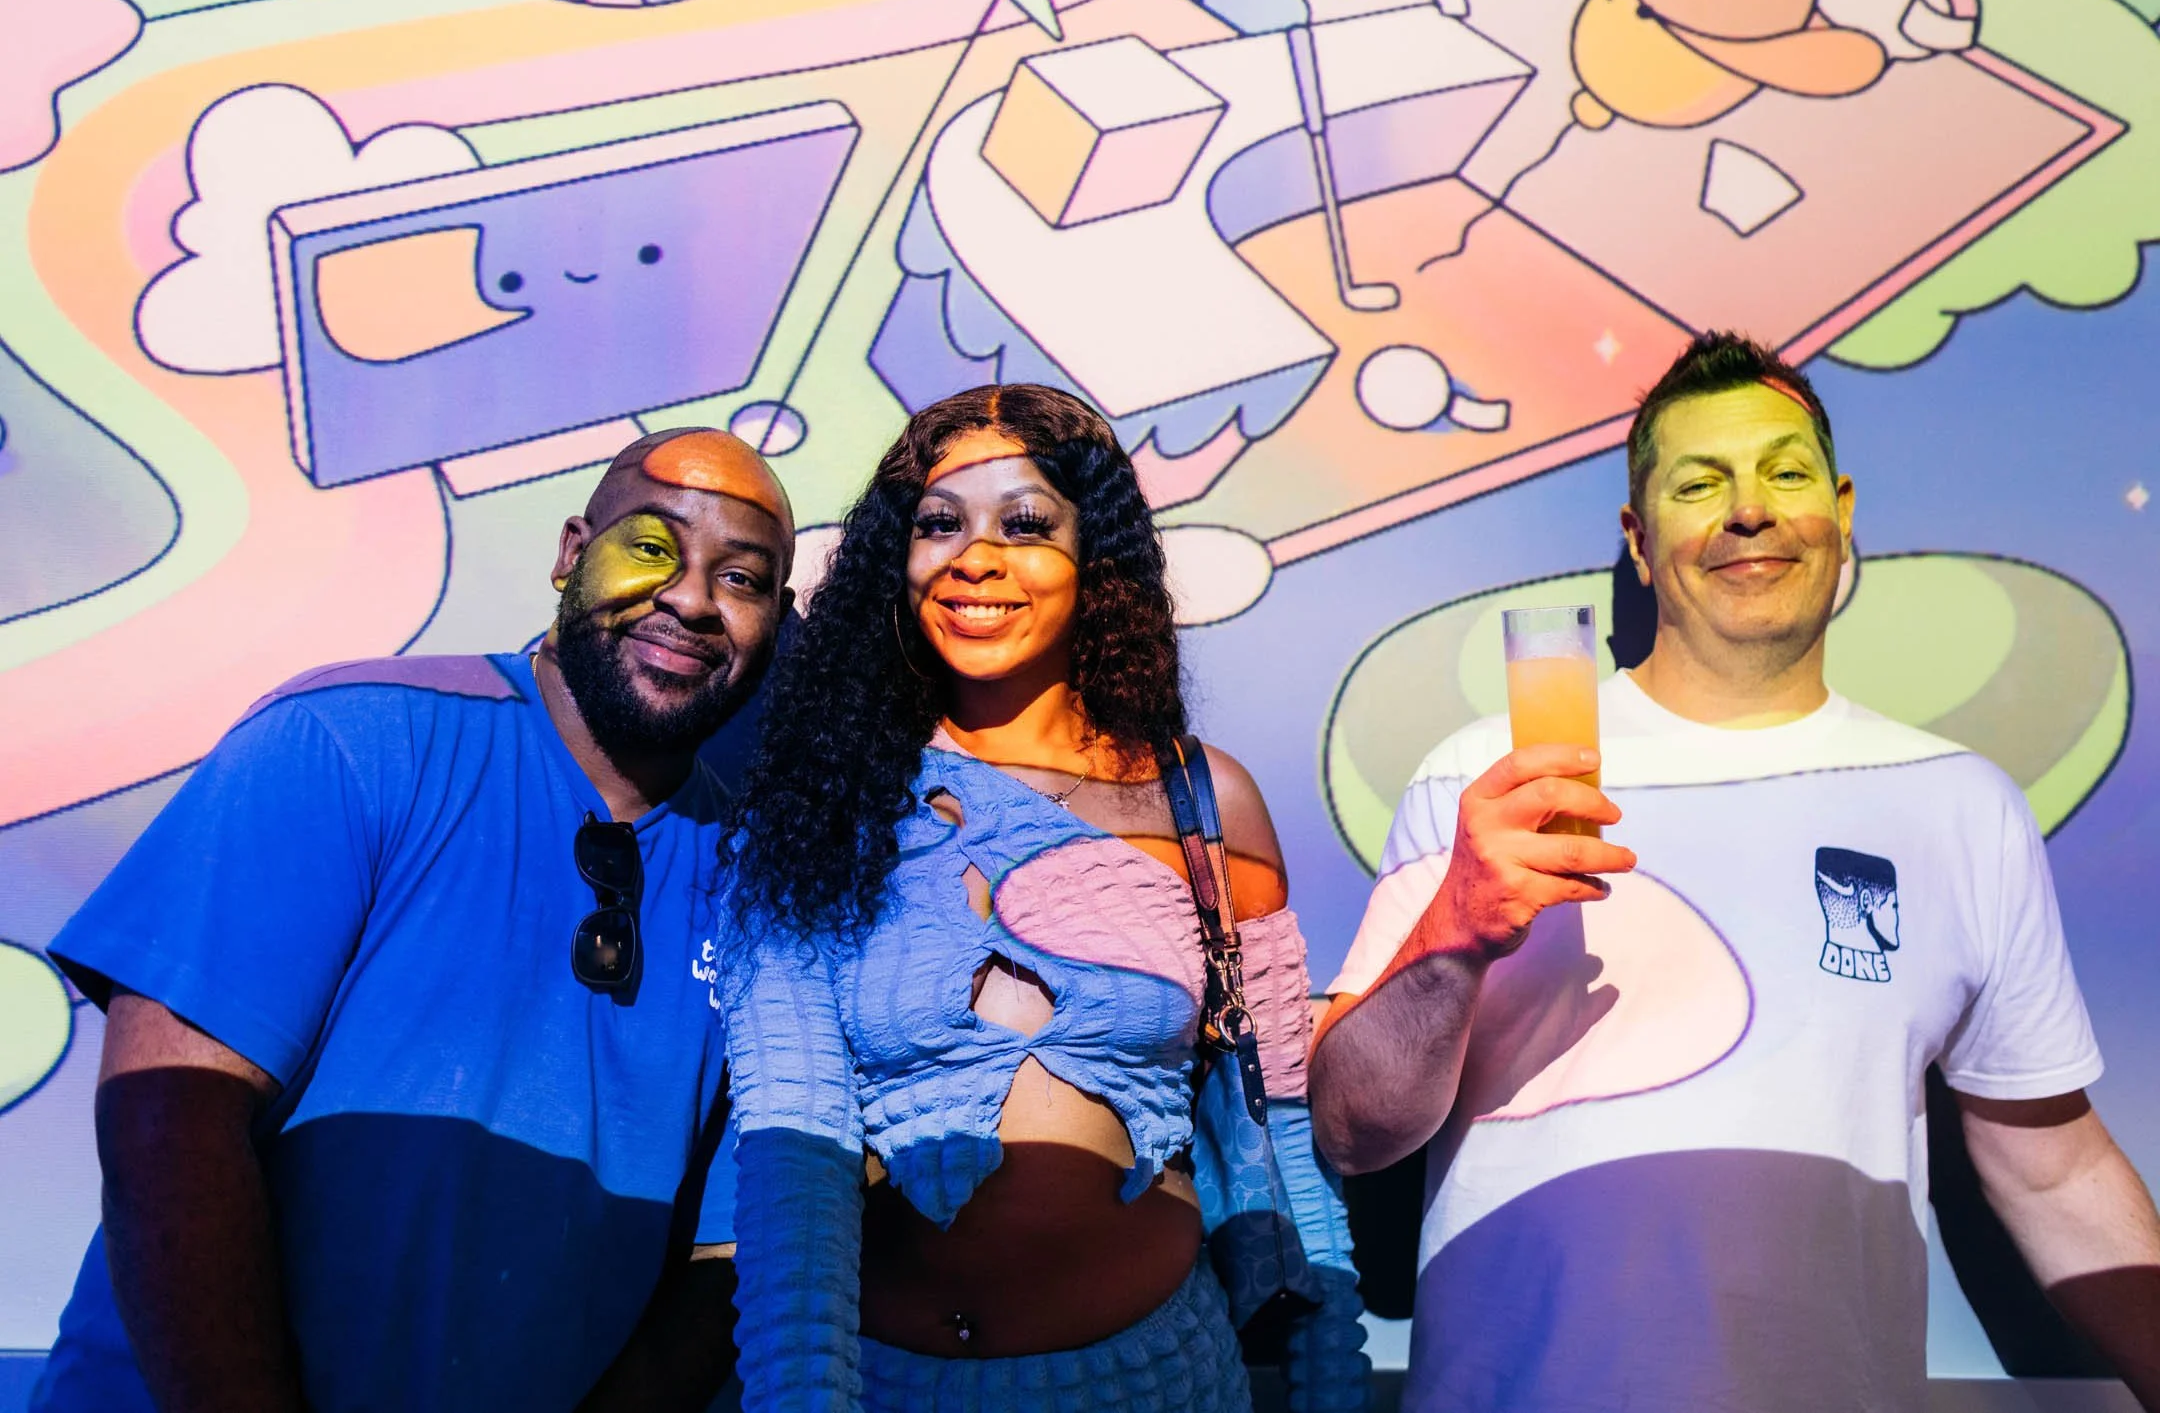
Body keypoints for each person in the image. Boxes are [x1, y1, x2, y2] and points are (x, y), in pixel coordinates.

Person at [1307, 332, 2160, 1411]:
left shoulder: (1959, 803)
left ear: (1841, 509)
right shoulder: (1487, 776)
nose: (1750, 510)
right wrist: (1453, 940)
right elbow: (1351, 1128)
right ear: (1640, 534)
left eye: (1785, 472)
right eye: (1700, 483)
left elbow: (2053, 1166)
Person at [30, 428, 794, 1413]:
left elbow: (727, 1254)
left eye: (741, 577)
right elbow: (166, 1116)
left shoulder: (760, 885)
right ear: (570, 550)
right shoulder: (349, 739)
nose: (690, 598)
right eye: (651, 547)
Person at [714, 383, 1369, 1410]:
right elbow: (793, 1153)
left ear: (1094, 559)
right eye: (940, 524)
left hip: (1160, 1384)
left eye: (1024, 524)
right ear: (898, 559)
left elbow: (1284, 1140)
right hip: (887, 1389)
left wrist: (1332, 1393)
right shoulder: (815, 805)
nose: (976, 557)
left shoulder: (1203, 800)